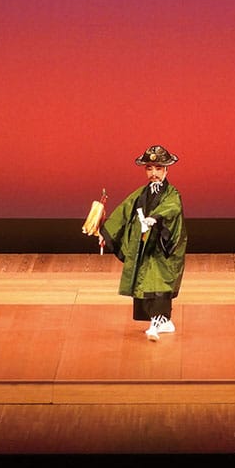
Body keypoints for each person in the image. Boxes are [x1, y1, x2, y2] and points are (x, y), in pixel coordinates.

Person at [99, 145, 187, 341]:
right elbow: (123, 211)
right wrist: (106, 233)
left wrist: (155, 218)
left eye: (158, 168)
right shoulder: (141, 194)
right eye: (149, 168)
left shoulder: (172, 194)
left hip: (162, 247)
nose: (153, 173)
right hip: (145, 246)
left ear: (166, 169)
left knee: (159, 281)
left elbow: (172, 208)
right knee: (144, 282)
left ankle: (156, 323)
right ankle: (163, 321)